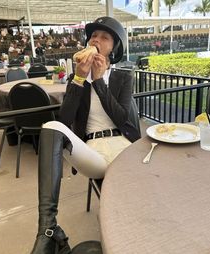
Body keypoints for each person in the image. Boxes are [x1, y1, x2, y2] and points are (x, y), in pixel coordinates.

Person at [30, 16, 141, 254]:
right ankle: (47, 228)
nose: (96, 40)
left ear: (114, 47)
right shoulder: (76, 78)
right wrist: (80, 78)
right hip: (91, 150)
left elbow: (123, 119)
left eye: (104, 37)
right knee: (51, 127)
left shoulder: (123, 77)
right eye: (93, 36)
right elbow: (65, 121)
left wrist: (99, 80)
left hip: (122, 146)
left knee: (129, 196)